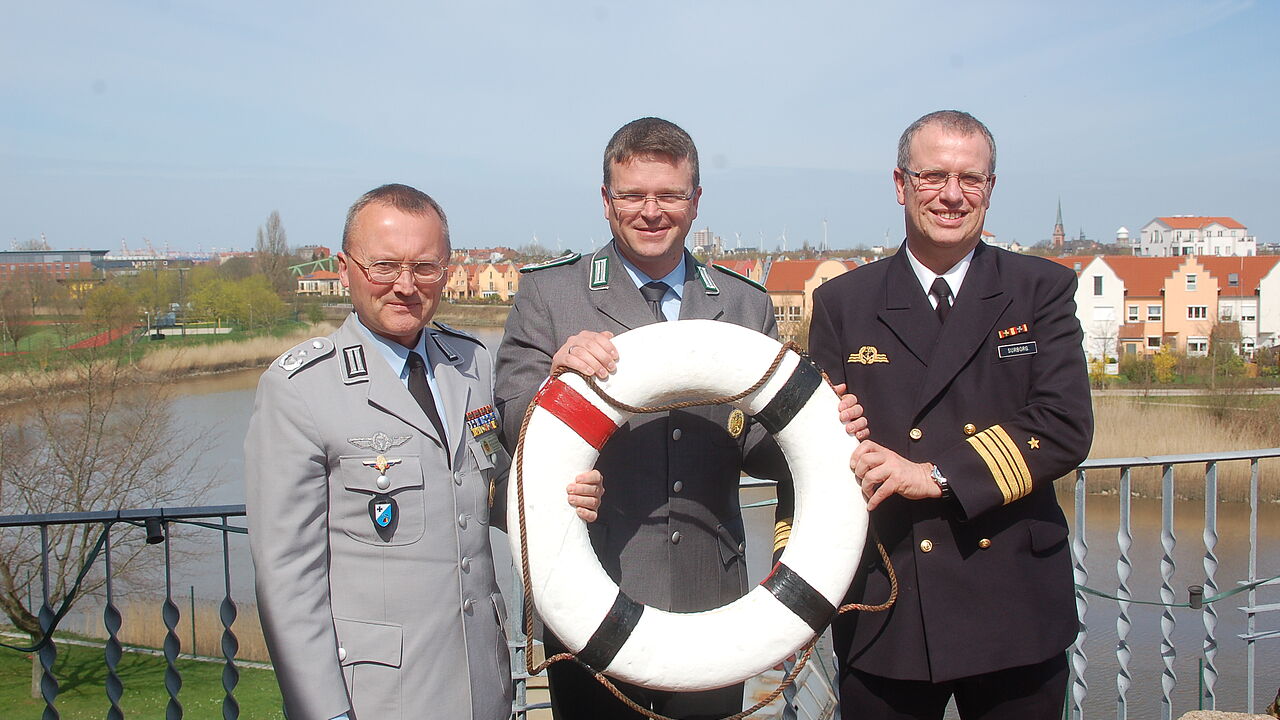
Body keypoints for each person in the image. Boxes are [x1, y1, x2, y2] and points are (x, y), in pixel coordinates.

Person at [495, 117, 866, 719]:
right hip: (588, 596)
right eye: (632, 195)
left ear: (695, 203)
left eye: (669, 195)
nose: (650, 212)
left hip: (711, 602)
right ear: (606, 202)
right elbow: (513, 419)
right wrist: (553, 387)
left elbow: (764, 447)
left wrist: (827, 427)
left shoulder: (742, 303)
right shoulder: (550, 296)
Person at [245, 183, 603, 720]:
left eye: (425, 267)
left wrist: (561, 487)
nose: (405, 286)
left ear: (447, 271)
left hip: (482, 683)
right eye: (383, 266)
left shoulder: (471, 364)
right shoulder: (300, 389)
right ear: (345, 268)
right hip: (377, 698)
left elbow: (495, 490)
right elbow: (286, 580)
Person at [808, 111, 1093, 720]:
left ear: (991, 188)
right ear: (900, 183)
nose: (952, 195)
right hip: (889, 601)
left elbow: (1063, 426)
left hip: (1012, 600)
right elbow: (810, 453)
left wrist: (933, 475)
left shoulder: (1040, 288)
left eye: (972, 179)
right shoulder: (843, 303)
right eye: (933, 175)